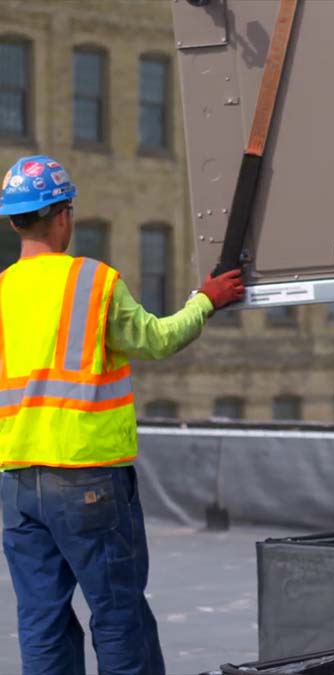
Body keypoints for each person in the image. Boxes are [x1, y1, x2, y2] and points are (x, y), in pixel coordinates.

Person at [0, 155, 244, 675]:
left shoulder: (1, 293)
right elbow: (157, 339)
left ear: (16, 220)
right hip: (88, 479)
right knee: (117, 613)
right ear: (63, 214)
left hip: (19, 481)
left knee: (41, 618)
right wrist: (207, 300)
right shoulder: (93, 284)